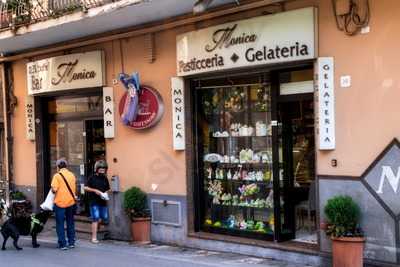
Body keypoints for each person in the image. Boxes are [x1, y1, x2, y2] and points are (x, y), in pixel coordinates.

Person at [51, 158, 77, 250]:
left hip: (60, 203)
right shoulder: (72, 175)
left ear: (58, 167)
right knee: (70, 222)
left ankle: (62, 244)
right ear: (66, 166)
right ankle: (71, 243)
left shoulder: (57, 176)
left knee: (60, 224)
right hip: (71, 202)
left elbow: (54, 189)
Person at [84, 160, 110, 243]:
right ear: (97, 169)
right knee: (95, 218)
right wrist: (95, 190)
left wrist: (105, 193)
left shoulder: (105, 178)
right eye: (101, 169)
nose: (102, 170)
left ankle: (96, 228)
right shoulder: (92, 177)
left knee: (104, 217)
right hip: (93, 201)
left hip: (102, 201)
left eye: (104, 169)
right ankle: (94, 238)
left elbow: (108, 188)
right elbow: (85, 187)